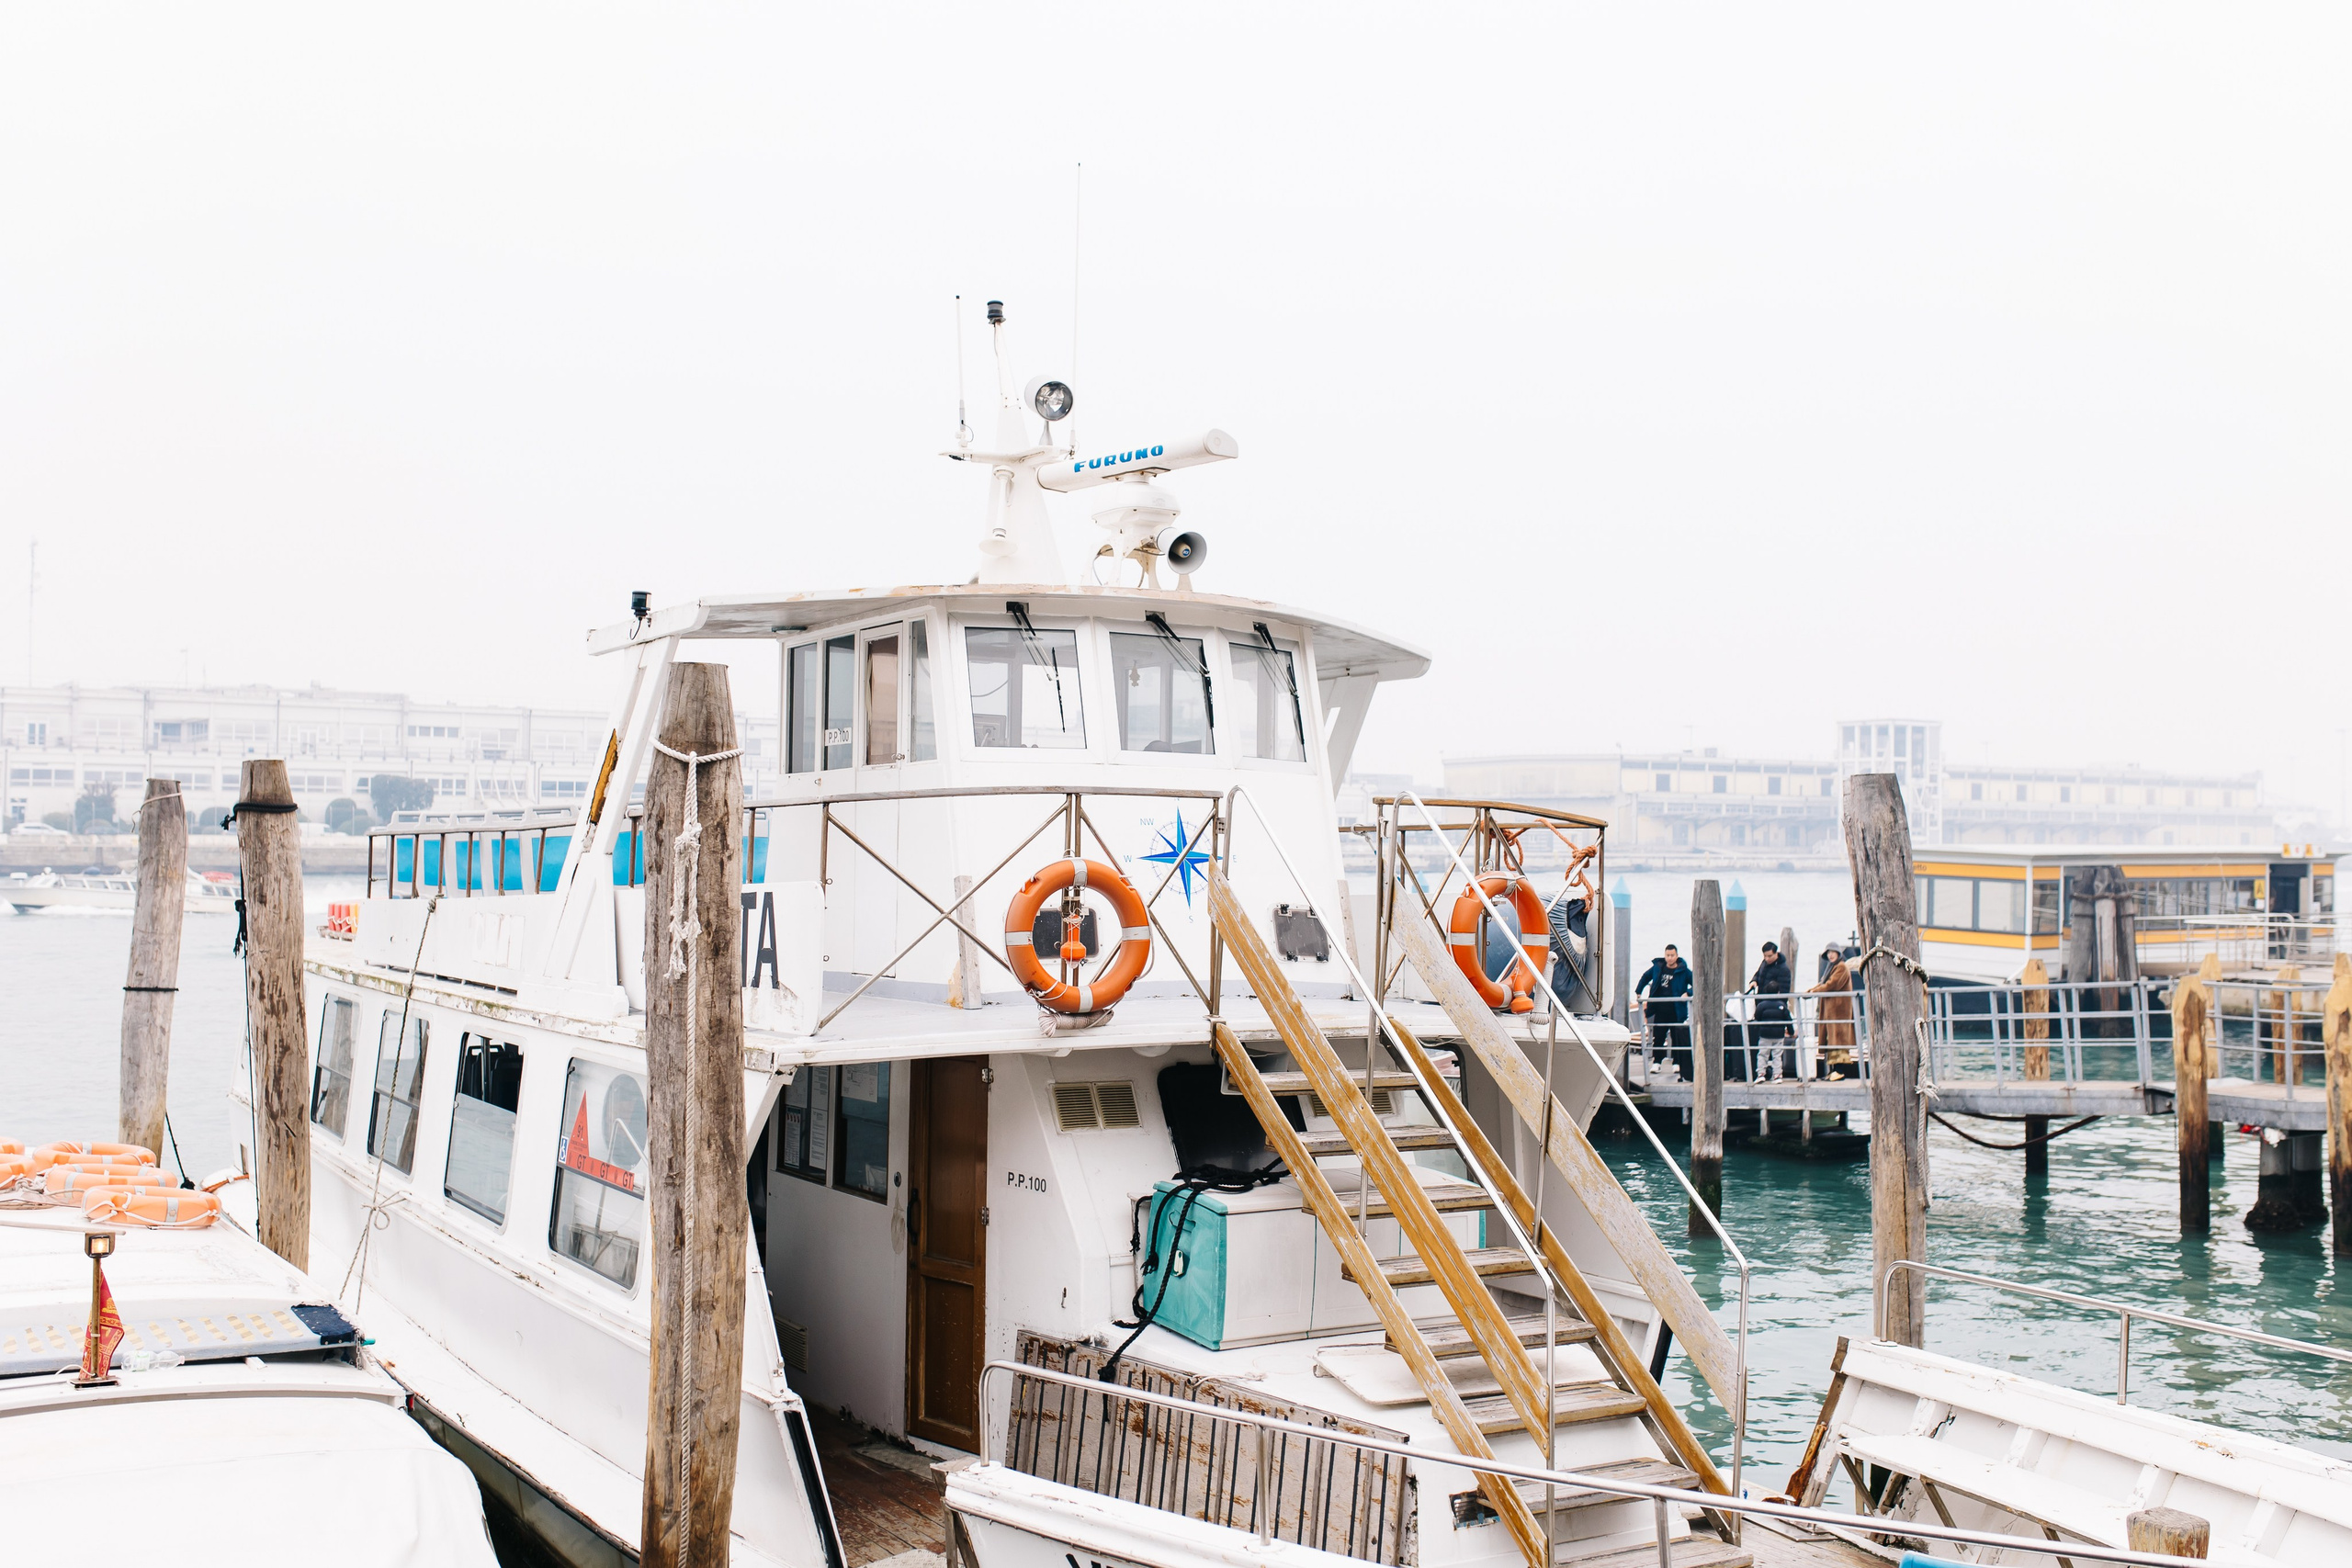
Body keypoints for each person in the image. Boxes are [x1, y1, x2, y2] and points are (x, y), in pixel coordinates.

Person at [1635, 944, 1693, 1079]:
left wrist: (1687, 993)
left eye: (1672, 955)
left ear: (1677, 956)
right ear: (1665, 955)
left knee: (1676, 1037)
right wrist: (1638, 991)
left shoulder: (1683, 970)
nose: (1670, 958)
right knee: (1659, 1037)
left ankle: (1677, 1062)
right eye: (1668, 955)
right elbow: (1645, 977)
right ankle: (1656, 1062)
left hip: (1676, 1010)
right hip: (1660, 1009)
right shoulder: (1658, 967)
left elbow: (1696, 983)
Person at [1747, 941, 1792, 1080]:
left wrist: (1781, 1011)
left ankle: (1774, 1073)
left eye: (1769, 956)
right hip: (1762, 1005)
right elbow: (1758, 974)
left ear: (1776, 953)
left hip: (1774, 1009)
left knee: (1773, 1050)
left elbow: (1784, 992)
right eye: (1765, 956)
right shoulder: (1764, 963)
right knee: (1764, 1049)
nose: (1767, 959)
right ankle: (1763, 1072)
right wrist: (1754, 980)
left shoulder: (1783, 969)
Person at [1812, 944, 1858, 1078]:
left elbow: (1832, 984)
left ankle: (1840, 1071)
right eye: (1828, 953)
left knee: (1839, 1041)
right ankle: (1833, 1071)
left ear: (1838, 953)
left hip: (1840, 1010)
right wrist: (1812, 990)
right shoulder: (1832, 967)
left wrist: (1814, 991)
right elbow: (1823, 983)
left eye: (1833, 952)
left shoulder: (1842, 967)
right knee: (1831, 1040)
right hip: (1832, 1011)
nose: (1831, 955)